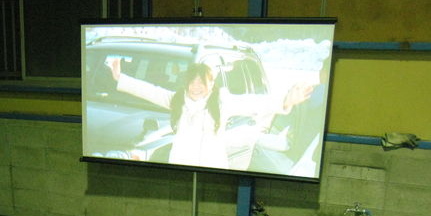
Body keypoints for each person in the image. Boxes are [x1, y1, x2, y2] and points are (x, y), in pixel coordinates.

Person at [109, 58, 313, 170]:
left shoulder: (222, 102)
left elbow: (254, 102)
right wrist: (121, 78)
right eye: (192, 82)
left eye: (201, 82)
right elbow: (150, 91)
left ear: (211, 83)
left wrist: (287, 100)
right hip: (181, 169)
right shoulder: (177, 100)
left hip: (212, 171)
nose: (196, 87)